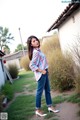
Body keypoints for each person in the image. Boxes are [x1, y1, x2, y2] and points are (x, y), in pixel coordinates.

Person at [27, 35, 59, 117]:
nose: (36, 41)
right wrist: (41, 70)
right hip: (41, 74)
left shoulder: (38, 50)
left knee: (47, 90)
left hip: (45, 72)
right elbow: (31, 65)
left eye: (36, 40)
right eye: (33, 41)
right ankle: (37, 109)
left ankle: (50, 106)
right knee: (39, 92)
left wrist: (45, 70)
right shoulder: (36, 52)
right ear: (31, 44)